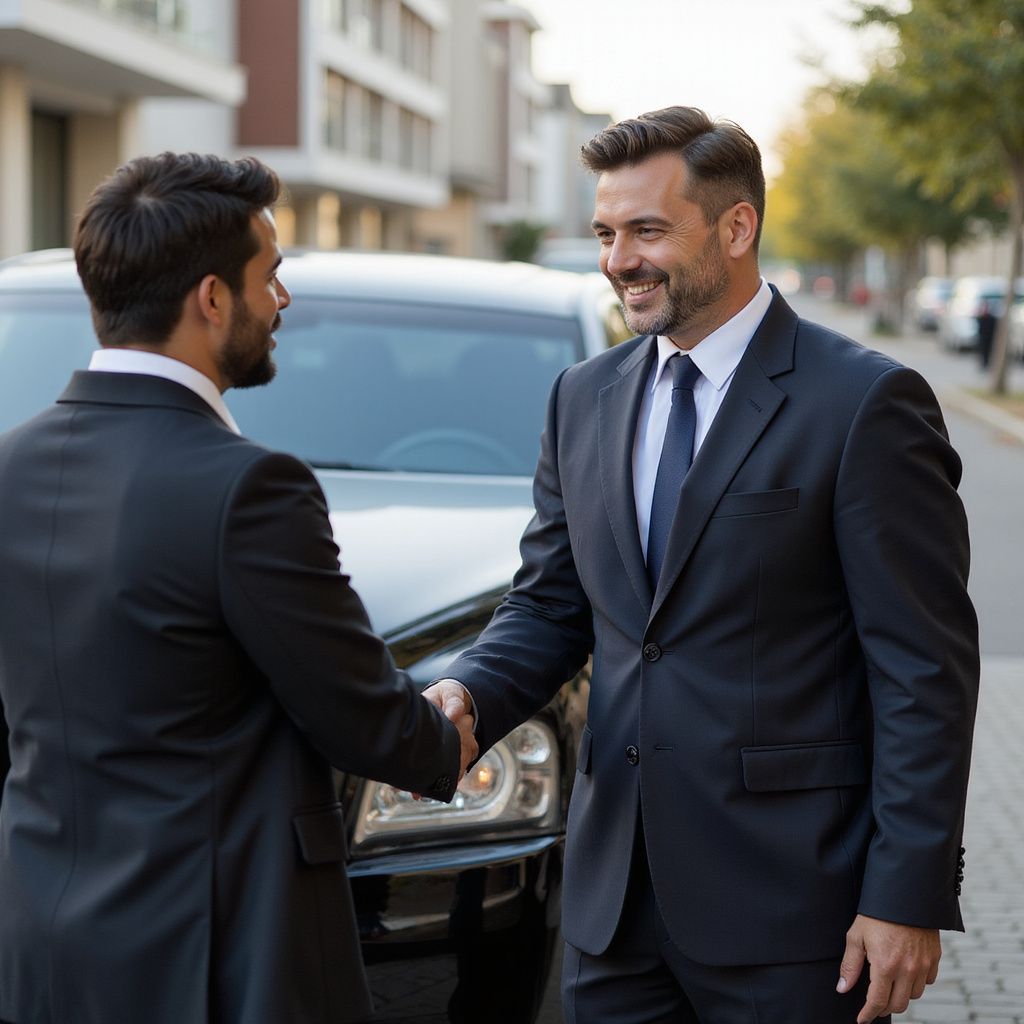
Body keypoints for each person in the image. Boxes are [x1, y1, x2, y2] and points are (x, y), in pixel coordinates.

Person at [424, 106, 979, 1024]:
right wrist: (469, 695)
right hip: (612, 911)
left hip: (796, 912)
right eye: (606, 233)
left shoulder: (865, 403)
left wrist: (906, 894)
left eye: (647, 230)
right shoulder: (582, 397)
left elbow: (924, 670)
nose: (617, 260)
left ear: (736, 227)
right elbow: (551, 605)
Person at [0, 152, 477, 1024]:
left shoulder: (10, 465)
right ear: (212, 299)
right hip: (216, 953)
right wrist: (443, 731)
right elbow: (362, 714)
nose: (283, 302)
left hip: (40, 942)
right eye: (273, 275)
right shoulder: (250, 488)